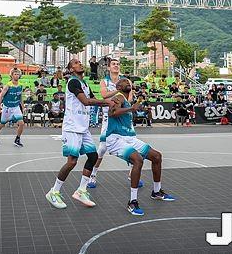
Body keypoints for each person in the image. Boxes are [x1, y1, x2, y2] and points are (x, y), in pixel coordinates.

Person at [45, 58, 114, 210]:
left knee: (93, 157)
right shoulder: (73, 82)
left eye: (79, 62)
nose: (80, 64)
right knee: (72, 162)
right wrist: (106, 102)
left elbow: (93, 99)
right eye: (75, 63)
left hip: (83, 127)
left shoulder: (85, 84)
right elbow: (86, 102)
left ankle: (81, 190)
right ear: (71, 69)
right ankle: (53, 192)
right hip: (72, 127)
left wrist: (111, 102)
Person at [106, 78, 175, 216]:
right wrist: (132, 108)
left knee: (156, 156)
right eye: (124, 81)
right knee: (138, 160)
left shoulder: (126, 100)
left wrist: (137, 108)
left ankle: (156, 191)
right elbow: (112, 113)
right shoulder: (118, 97)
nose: (128, 82)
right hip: (116, 138)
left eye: (129, 82)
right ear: (118, 87)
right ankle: (132, 201)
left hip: (129, 138)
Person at [88, 58, 143, 189]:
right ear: (108, 67)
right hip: (109, 118)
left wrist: (117, 94)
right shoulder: (104, 81)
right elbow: (104, 95)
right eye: (113, 64)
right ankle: (93, 175)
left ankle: (131, 174)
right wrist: (119, 91)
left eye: (118, 64)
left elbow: (129, 98)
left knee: (132, 145)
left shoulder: (126, 81)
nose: (116, 66)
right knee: (102, 148)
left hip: (124, 117)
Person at [0, 68, 25, 147]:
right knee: (2, 123)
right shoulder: (8, 86)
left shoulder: (20, 85)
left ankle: (17, 139)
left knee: (21, 123)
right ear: (12, 75)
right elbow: (0, 96)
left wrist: (23, 107)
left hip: (16, 107)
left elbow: (20, 97)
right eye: (15, 74)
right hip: (7, 108)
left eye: (18, 74)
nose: (16, 75)